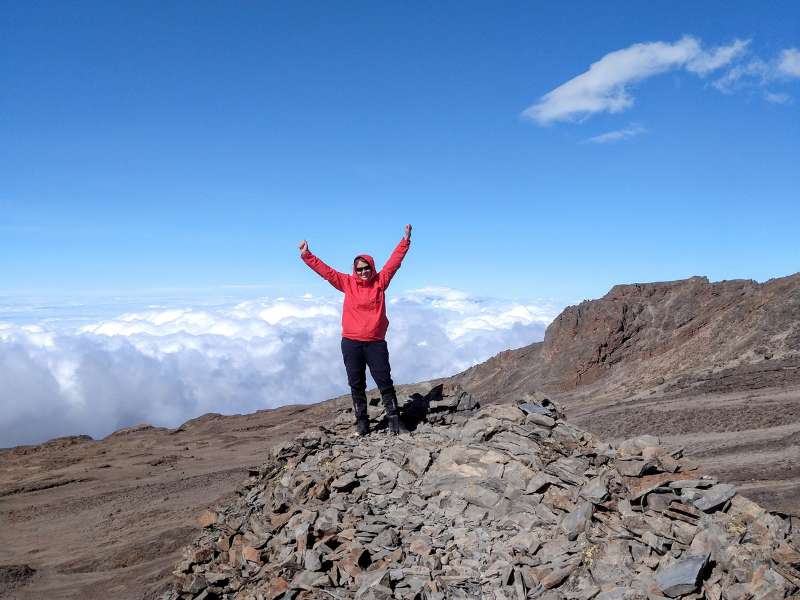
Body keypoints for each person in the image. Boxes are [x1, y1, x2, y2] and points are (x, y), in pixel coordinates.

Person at [298, 225, 412, 435]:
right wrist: (307, 255)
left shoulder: (381, 282)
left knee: (384, 381)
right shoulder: (347, 283)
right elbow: (326, 272)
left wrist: (404, 241)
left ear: (372, 267)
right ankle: (362, 424)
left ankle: (395, 421)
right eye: (359, 269)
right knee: (356, 384)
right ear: (354, 270)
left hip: (375, 342)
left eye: (366, 267)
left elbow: (394, 263)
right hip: (351, 343)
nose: (363, 272)